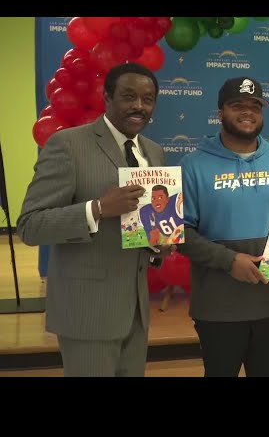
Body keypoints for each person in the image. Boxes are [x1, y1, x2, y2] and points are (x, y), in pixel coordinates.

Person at [17, 62, 173, 377]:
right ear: (107, 97)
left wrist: (159, 246)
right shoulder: (68, 145)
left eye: (147, 99)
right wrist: (98, 208)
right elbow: (30, 226)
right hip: (87, 312)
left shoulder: (154, 152)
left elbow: (142, 226)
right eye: (128, 96)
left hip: (136, 313)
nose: (139, 106)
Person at [178, 76, 269, 377]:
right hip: (218, 309)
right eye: (237, 105)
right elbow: (179, 232)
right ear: (220, 113)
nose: (247, 112)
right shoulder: (192, 165)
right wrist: (229, 260)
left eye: (255, 106)